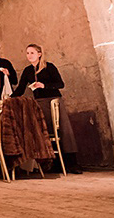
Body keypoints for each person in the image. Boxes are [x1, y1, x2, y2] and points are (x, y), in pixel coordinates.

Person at [11, 43, 81, 173]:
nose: (29, 55)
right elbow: (20, 88)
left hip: (54, 102)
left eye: (32, 52)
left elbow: (60, 84)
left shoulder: (49, 67)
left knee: (64, 131)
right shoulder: (27, 71)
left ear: (39, 54)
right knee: (43, 132)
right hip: (39, 104)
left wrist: (44, 86)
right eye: (27, 53)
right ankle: (51, 163)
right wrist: (9, 98)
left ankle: (72, 164)